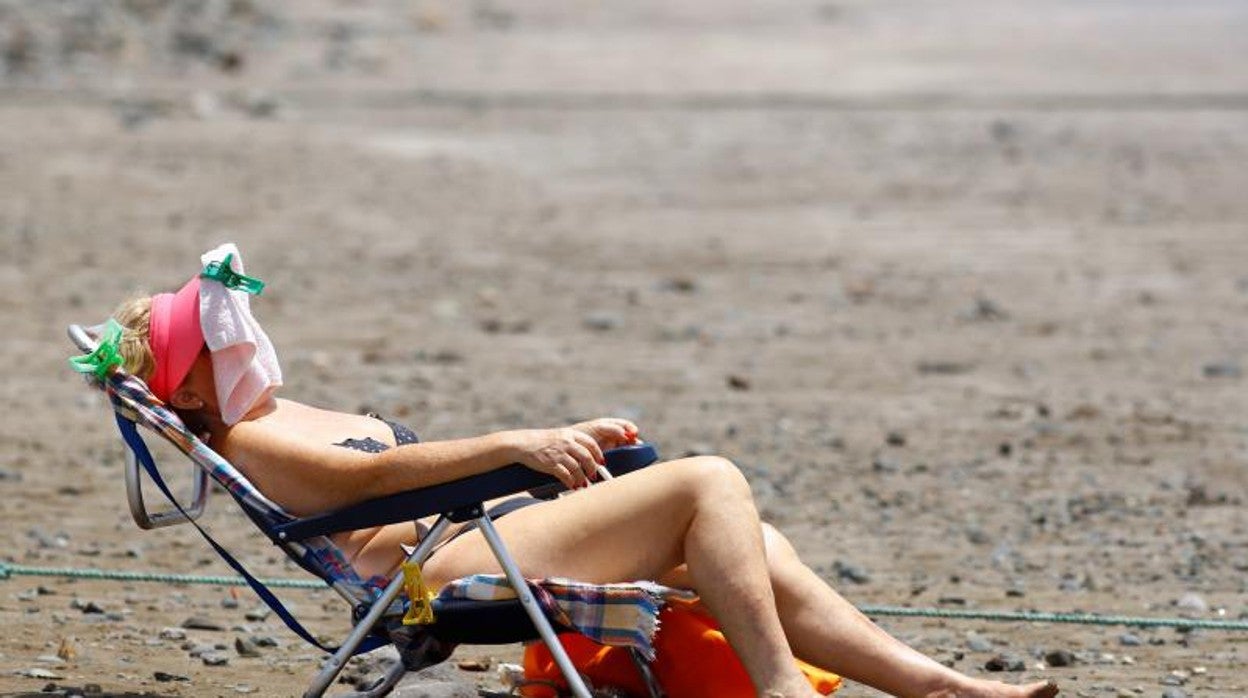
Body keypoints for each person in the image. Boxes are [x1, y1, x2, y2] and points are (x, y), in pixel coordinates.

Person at [106, 268, 1059, 698]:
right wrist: (524, 444)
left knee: (749, 548)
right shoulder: (251, 438)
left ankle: (934, 689)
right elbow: (389, 476)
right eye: (211, 334)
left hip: (465, 534)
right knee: (707, 481)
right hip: (430, 574)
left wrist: (546, 453)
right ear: (187, 385)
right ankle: (781, 692)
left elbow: (396, 478)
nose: (233, 333)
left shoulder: (268, 416)